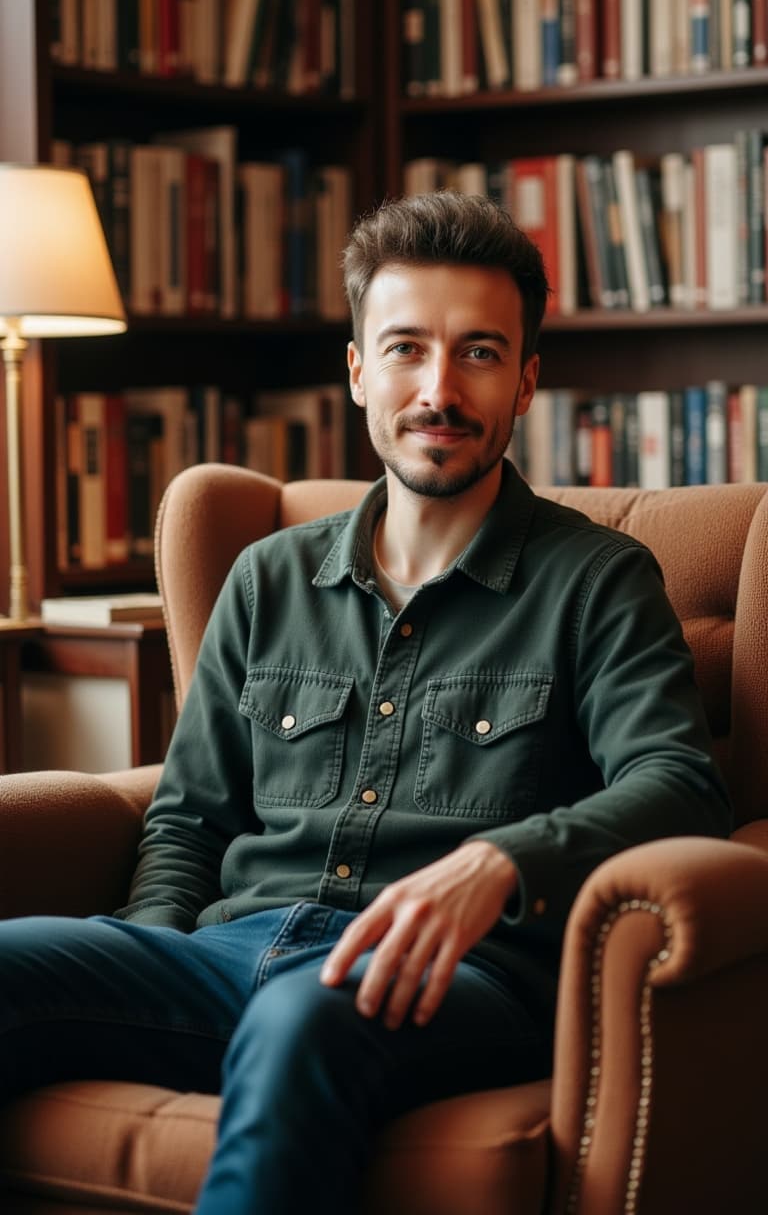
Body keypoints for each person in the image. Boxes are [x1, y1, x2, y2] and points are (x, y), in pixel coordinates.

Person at [0, 191, 730, 1213]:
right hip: (227, 954)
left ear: (526, 381)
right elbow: (187, 816)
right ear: (357, 371)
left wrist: (500, 863)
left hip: (455, 981)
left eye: (478, 352)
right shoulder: (264, 578)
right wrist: (154, 954)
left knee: (305, 1021)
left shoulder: (600, 581)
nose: (439, 388)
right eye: (405, 350)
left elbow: (683, 788)